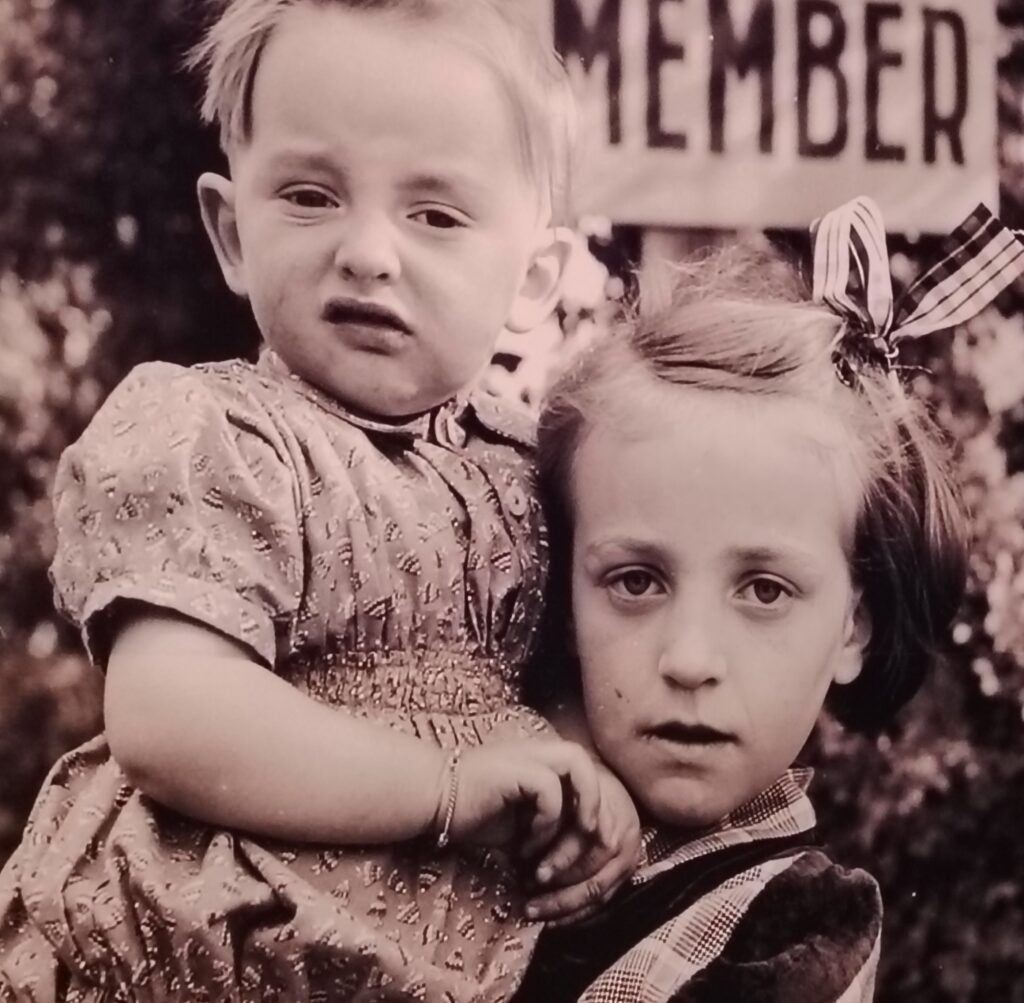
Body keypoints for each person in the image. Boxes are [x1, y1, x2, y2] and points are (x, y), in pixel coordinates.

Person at [0, 1, 640, 999]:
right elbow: (169, 714)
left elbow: (575, 679)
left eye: (435, 215)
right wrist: (442, 786)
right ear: (232, 232)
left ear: (532, 278)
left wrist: (588, 792)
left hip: (459, 958)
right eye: (310, 196)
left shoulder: (539, 471)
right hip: (225, 946)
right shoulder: (218, 435)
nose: (369, 252)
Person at [514, 198, 1024, 1001]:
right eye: (636, 581)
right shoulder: (488, 801)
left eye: (764, 589)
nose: (690, 659)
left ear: (853, 625)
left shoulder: (794, 936)